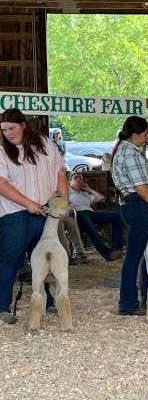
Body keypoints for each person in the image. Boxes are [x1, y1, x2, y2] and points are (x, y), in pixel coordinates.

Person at [0, 108, 68, 324]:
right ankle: (2, 307)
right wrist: (28, 203)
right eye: (3, 130)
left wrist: (63, 204)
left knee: (43, 260)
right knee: (10, 260)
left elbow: (60, 174)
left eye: (11, 128)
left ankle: (45, 302)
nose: (8, 133)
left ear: (23, 125)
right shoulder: (2, 152)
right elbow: (1, 184)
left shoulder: (47, 145)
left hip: (45, 212)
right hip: (14, 214)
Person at [111, 116, 148, 316]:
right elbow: (142, 188)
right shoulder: (131, 154)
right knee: (136, 257)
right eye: (144, 135)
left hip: (133, 204)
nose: (146, 138)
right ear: (135, 135)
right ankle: (128, 303)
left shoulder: (124, 150)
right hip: (139, 204)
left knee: (145, 254)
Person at [69, 172, 124, 262]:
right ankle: (107, 254)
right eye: (76, 178)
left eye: (81, 179)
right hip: (77, 213)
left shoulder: (85, 194)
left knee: (117, 216)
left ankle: (116, 248)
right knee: (91, 229)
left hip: (90, 213)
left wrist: (89, 189)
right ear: (69, 182)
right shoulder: (67, 191)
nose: (79, 179)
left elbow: (101, 198)